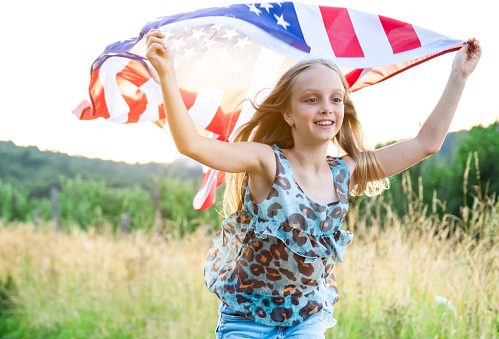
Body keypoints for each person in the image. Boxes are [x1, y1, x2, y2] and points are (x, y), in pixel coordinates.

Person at [145, 29, 481, 338]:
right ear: (288, 114)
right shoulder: (267, 161)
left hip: (306, 319)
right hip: (247, 322)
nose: (327, 108)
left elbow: (425, 144)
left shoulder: (344, 172)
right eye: (311, 99)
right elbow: (192, 144)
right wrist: (166, 75)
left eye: (336, 99)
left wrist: (459, 75)